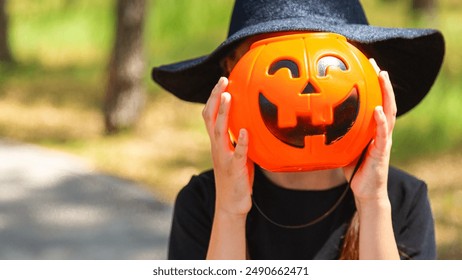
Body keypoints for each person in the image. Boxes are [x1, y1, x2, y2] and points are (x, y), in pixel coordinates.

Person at [152, 0, 445, 260]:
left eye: (329, 63)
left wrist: (372, 204)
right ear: (230, 72)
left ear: (369, 68)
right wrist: (229, 210)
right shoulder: (204, 202)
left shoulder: (403, 199)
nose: (305, 90)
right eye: (280, 67)